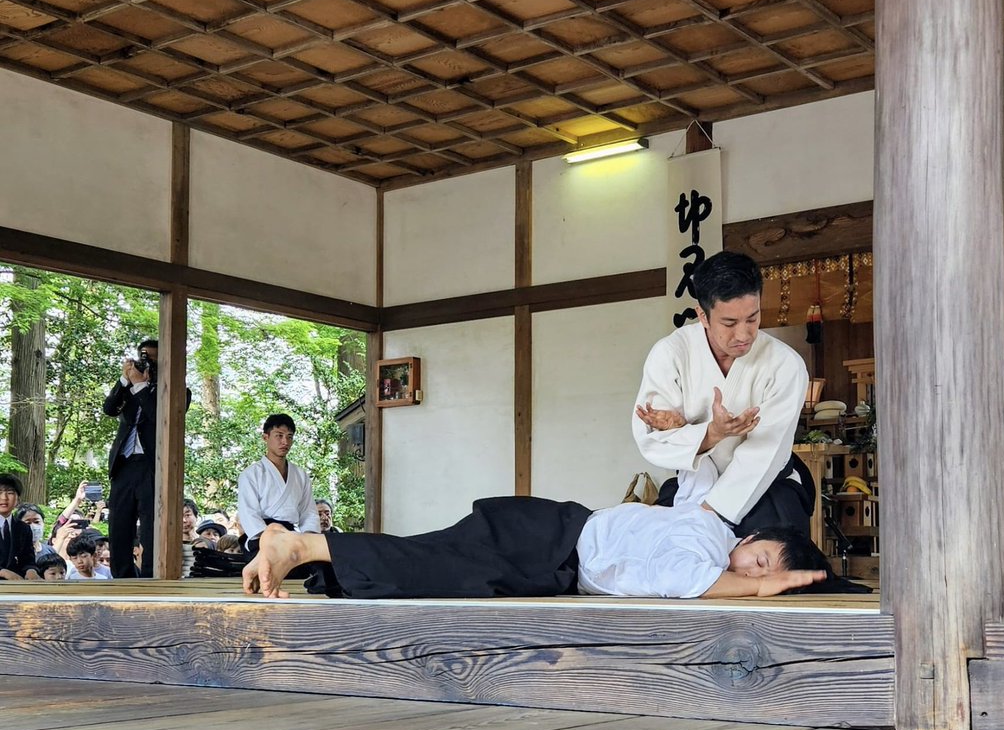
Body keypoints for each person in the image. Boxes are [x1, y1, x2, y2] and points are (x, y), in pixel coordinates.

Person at [243, 492, 833, 602]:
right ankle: (297, 544)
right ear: (750, 539)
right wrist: (758, 584)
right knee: (435, 565)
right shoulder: (707, 534)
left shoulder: (713, 554)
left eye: (762, 573)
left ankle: (301, 552)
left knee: (434, 572)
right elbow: (689, 579)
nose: (754, 573)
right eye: (758, 561)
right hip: (549, 538)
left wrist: (757, 582)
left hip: (552, 557)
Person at [632, 251, 816, 537]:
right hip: (693, 483)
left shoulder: (785, 364)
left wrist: (708, 515)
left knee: (770, 562)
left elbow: (765, 453)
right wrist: (711, 434)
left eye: (752, 319)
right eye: (729, 323)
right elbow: (652, 439)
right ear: (702, 315)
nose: (743, 335)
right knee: (649, 548)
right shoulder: (671, 354)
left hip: (764, 487)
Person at [102, 338, 191, 578]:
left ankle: (152, 578)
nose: (147, 361)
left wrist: (142, 386)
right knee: (119, 525)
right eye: (144, 356)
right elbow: (109, 408)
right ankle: (122, 578)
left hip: (154, 465)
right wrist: (125, 379)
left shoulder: (178, 392)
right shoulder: (129, 387)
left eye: (152, 358)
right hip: (124, 463)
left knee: (152, 526)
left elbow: (160, 418)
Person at [237, 413, 319, 555]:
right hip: (262, 538)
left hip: (292, 537)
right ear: (265, 437)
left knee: (320, 567)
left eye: (289, 436)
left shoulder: (300, 475)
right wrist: (267, 538)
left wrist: (308, 539)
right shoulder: (251, 474)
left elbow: (309, 512)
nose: (285, 442)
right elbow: (248, 513)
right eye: (279, 435)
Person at [0, 474, 38, 580]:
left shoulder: (24, 528)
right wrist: (3, 572)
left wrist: (31, 570)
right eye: (0, 492)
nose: (4, 498)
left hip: (17, 588)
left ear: (18, 499)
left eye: (10, 493)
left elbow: (28, 559)